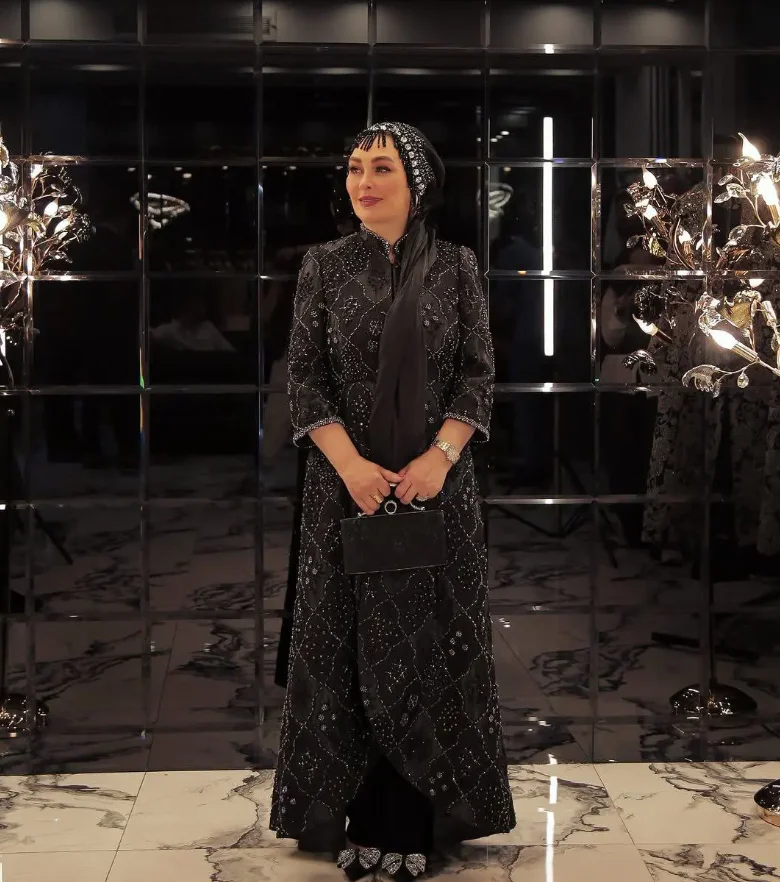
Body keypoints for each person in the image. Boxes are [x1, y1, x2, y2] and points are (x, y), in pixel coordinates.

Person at [269, 122, 516, 879]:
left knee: (430, 645)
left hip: (436, 489)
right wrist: (351, 467)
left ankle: (417, 817)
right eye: (354, 168)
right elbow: (304, 377)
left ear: (418, 183)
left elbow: (477, 375)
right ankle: (362, 814)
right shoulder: (324, 265)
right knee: (348, 647)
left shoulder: (457, 267)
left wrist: (439, 459)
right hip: (345, 492)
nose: (363, 182)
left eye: (381, 168)